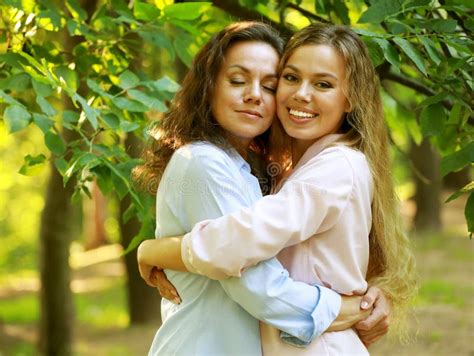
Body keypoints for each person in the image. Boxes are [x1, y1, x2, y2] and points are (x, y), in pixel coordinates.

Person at [137, 23, 416, 355]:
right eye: (290, 79)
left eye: (268, 85)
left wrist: (156, 251)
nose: (300, 94)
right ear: (208, 86)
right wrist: (345, 308)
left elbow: (239, 246)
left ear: (351, 98)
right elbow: (256, 277)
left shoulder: (334, 166)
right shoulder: (219, 163)